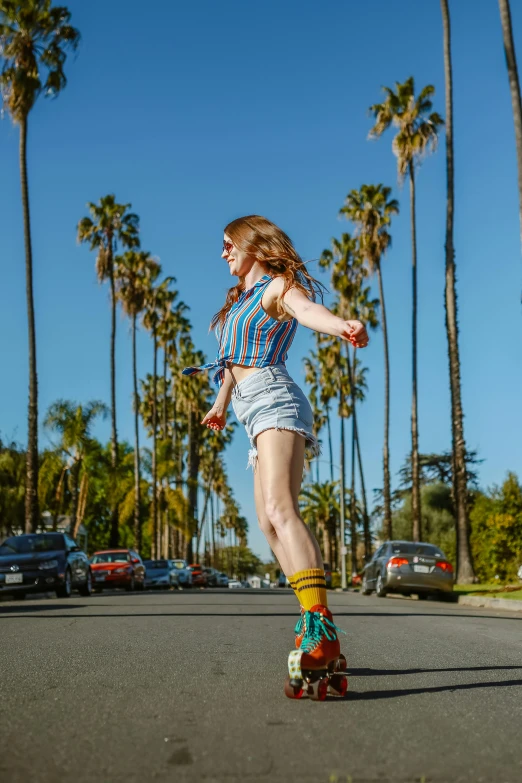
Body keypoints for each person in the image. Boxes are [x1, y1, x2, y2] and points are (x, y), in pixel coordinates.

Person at [182, 215, 369, 698]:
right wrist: (220, 404)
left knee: (282, 510)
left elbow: (306, 311)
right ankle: (313, 620)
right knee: (267, 521)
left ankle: (319, 626)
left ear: (253, 246)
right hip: (250, 408)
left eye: (229, 245)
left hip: (275, 399)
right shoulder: (240, 301)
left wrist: (341, 325)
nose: (223, 254)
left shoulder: (276, 286)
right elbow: (229, 362)